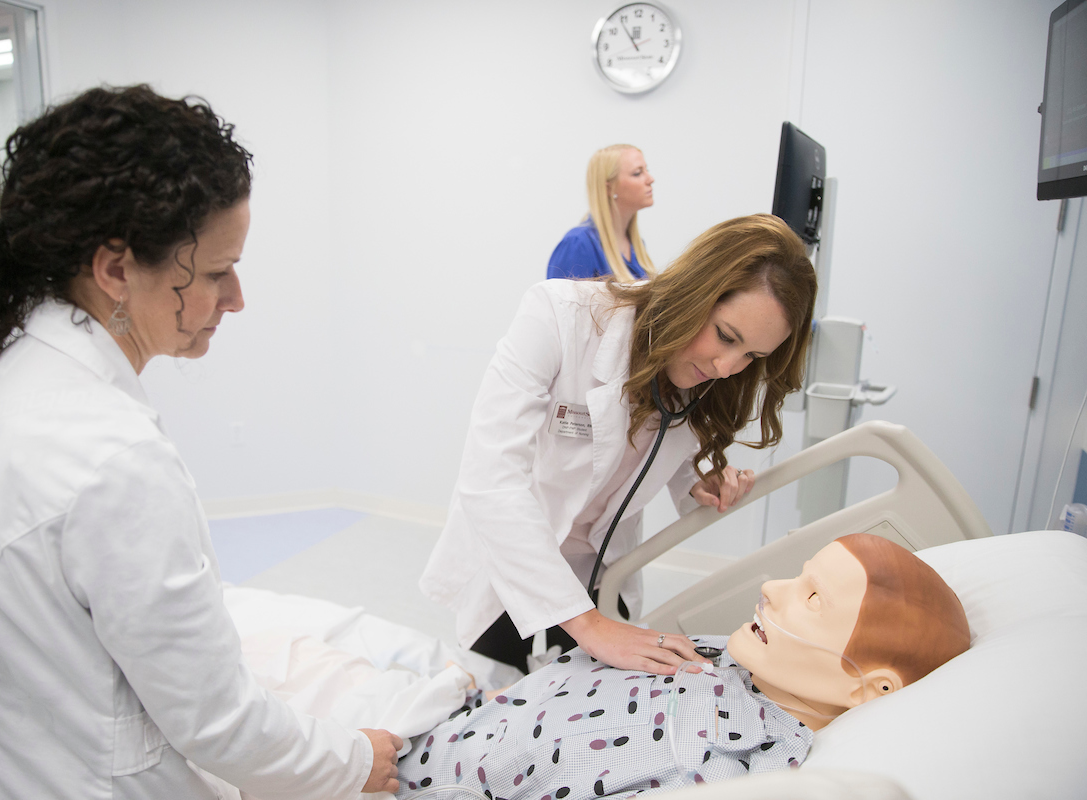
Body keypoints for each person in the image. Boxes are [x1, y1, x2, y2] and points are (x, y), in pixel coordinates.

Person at [0, 85, 400, 800]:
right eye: (218, 271)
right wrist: (352, 761)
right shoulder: (109, 455)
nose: (237, 299)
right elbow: (218, 724)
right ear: (117, 269)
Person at [422, 214, 817, 675]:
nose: (728, 366)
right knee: (499, 700)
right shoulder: (558, 317)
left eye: (752, 356)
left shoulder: (704, 373)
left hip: (602, 576)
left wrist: (698, 482)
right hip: (516, 566)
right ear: (693, 290)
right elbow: (491, 483)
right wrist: (588, 626)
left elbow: (663, 441)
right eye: (726, 336)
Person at [399, 534, 970, 799]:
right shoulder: (728, 656)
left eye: (813, 599)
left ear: (869, 689)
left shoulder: (721, 767)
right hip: (441, 714)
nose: (772, 588)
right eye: (797, 576)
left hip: (407, 777)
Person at [546, 144, 657, 281]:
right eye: (637, 173)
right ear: (609, 188)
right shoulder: (578, 245)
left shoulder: (637, 246)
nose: (651, 179)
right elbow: (560, 302)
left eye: (647, 170)